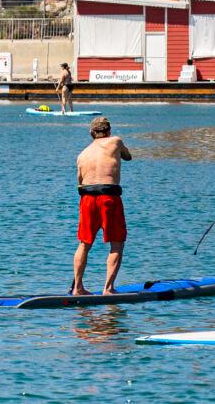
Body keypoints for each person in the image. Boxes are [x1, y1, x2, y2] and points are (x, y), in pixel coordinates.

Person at [72, 117, 132, 295]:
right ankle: (108, 288)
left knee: (84, 243)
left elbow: (79, 181)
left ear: (92, 133)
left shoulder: (82, 154)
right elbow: (128, 157)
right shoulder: (116, 141)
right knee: (117, 243)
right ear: (109, 131)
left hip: (87, 198)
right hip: (109, 196)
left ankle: (78, 287)